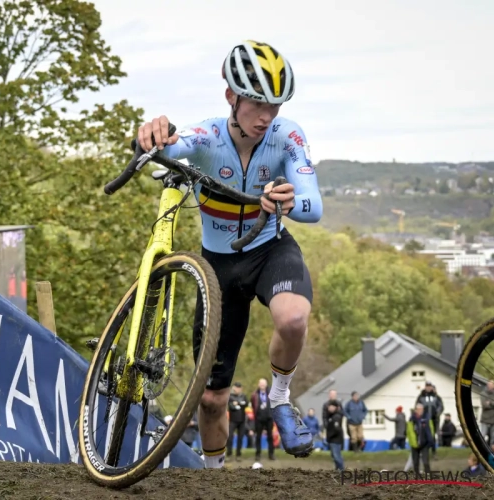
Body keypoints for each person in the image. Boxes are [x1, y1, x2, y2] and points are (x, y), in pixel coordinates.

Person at [137, 39, 322, 469]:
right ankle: (214, 477)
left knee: (293, 318)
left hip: (268, 250)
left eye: (275, 105)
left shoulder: (288, 135)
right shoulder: (207, 136)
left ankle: (280, 399)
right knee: (212, 398)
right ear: (231, 97)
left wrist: (292, 200)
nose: (266, 116)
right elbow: (164, 151)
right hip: (216, 268)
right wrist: (151, 134)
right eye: (257, 104)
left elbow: (314, 205)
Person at [251, 378, 276, 462]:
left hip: (269, 418)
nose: (262, 385)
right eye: (260, 383)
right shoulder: (255, 394)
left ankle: (271, 454)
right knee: (258, 437)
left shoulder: (271, 393)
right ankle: (258, 454)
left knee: (270, 437)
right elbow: (253, 406)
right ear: (258, 384)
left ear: (266, 384)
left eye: (263, 383)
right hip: (259, 418)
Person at [416, 381, 443, 456]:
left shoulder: (436, 397)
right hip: (424, 419)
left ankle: (434, 451)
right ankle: (423, 452)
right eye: (427, 386)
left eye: (429, 386)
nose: (428, 387)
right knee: (423, 435)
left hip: (434, 419)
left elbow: (441, 406)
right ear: (425, 387)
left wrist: (437, 413)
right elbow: (417, 406)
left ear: (431, 387)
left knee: (432, 436)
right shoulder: (421, 396)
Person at [407, 402, 434, 476]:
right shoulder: (412, 419)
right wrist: (414, 442)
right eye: (419, 409)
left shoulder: (427, 418)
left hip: (424, 442)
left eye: (421, 409)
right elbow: (410, 431)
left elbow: (431, 429)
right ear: (416, 410)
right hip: (415, 443)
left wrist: (430, 439)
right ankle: (417, 475)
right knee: (415, 461)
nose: (420, 411)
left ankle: (428, 475)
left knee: (425, 461)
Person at [226, 382, 249, 460]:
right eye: (236, 388)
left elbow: (246, 404)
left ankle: (238, 454)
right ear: (234, 388)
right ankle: (229, 453)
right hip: (233, 420)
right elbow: (231, 406)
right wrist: (238, 404)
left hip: (242, 420)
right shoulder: (230, 396)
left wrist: (237, 403)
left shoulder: (243, 396)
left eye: (239, 388)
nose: (238, 389)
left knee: (240, 437)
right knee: (230, 437)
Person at [325, 400, 344, 471]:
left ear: (335, 407)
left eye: (331, 406)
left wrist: (330, 436)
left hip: (336, 440)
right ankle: (338, 469)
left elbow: (337, 429)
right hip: (332, 439)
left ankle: (341, 470)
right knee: (334, 455)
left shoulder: (336, 417)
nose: (329, 408)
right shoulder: (331, 416)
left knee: (336, 456)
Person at [479, 380, 494, 445]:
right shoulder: (483, 393)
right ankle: (480, 448)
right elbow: (484, 405)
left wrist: (490, 403)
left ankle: (492, 451)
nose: (491, 386)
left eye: (492, 385)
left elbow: (488, 404)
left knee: (493, 437)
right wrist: (493, 404)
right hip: (485, 419)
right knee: (483, 435)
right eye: (489, 385)